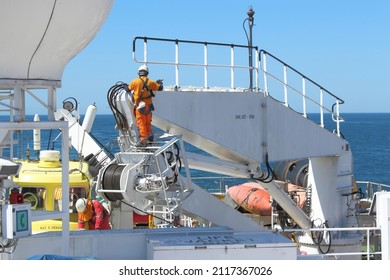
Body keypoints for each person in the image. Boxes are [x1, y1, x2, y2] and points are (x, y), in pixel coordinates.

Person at [128, 65, 163, 145]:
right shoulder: (151, 82)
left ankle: (143, 141)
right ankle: (150, 137)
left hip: (140, 106)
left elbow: (128, 89)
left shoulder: (135, 81)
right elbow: (160, 88)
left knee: (141, 124)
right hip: (149, 106)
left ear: (139, 73)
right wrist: (159, 83)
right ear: (147, 73)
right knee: (148, 122)